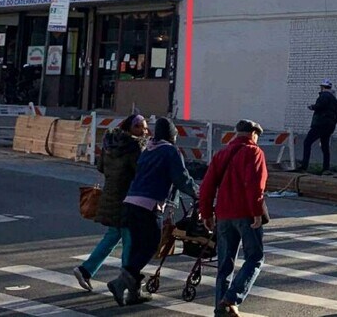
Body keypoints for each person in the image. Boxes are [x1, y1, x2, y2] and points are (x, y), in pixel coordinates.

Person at [106, 117, 197, 307]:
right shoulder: (170, 151)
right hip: (148, 204)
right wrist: (199, 193)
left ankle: (133, 293)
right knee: (151, 244)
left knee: (138, 246)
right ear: (172, 135)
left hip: (131, 202)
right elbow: (182, 179)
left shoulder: (148, 149)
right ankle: (122, 282)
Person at [200, 119, 269, 317]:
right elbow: (255, 185)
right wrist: (256, 212)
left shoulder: (221, 154)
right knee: (255, 258)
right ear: (253, 134)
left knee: (225, 263)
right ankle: (232, 298)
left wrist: (206, 213)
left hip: (223, 215)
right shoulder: (254, 152)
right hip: (246, 214)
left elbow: (207, 186)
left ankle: (221, 309)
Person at [73, 114, 147, 296]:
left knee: (113, 235)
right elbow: (140, 171)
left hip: (110, 195)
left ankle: (86, 270)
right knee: (129, 238)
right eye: (139, 127)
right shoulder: (134, 147)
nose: (143, 131)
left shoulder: (110, 144)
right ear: (130, 128)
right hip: (127, 198)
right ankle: (126, 278)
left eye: (145, 127)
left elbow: (101, 167)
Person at [296, 79, 337, 175]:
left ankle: (304, 166)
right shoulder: (333, 98)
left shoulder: (324, 96)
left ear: (322, 87)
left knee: (307, 142)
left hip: (320, 124)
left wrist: (312, 107)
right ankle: (326, 168)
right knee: (325, 146)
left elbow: (320, 106)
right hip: (329, 126)